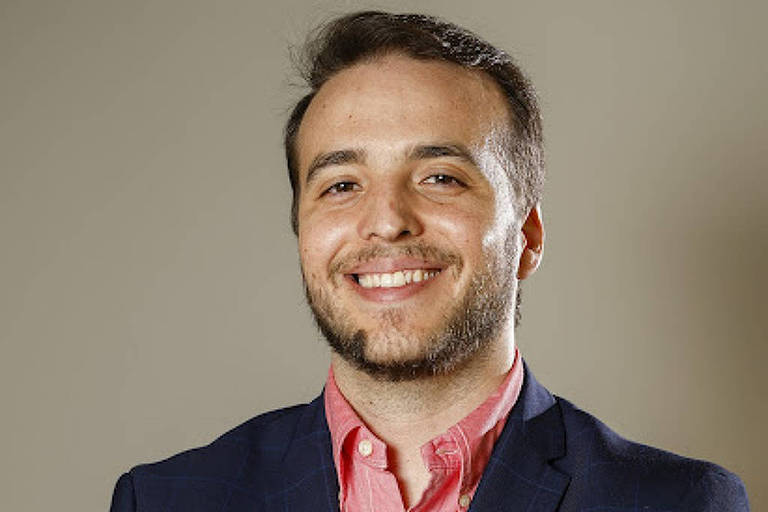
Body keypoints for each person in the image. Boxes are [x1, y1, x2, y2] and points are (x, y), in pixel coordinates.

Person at [110, 11, 749, 512]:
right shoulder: (166, 499)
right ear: (301, 231)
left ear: (526, 235)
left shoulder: (679, 503)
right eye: (340, 184)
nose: (386, 221)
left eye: (440, 177)